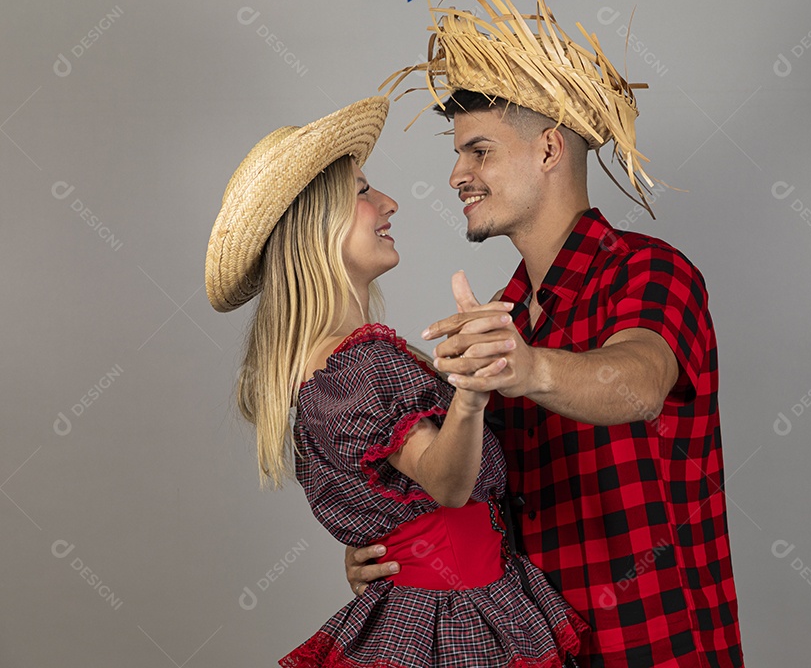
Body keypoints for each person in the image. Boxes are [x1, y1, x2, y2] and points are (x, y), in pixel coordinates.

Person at [347, 0, 744, 668]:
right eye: (457, 153)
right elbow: (481, 501)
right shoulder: (500, 315)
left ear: (550, 149)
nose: (456, 176)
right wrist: (396, 548)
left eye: (479, 151)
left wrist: (528, 366)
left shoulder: (649, 271)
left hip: (650, 650)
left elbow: (638, 383)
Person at [205, 95, 588, 667]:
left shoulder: (328, 369)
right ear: (317, 228)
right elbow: (447, 486)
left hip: (430, 605)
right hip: (454, 616)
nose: (389, 202)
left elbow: (398, 507)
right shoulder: (361, 363)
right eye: (362, 191)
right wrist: (469, 395)